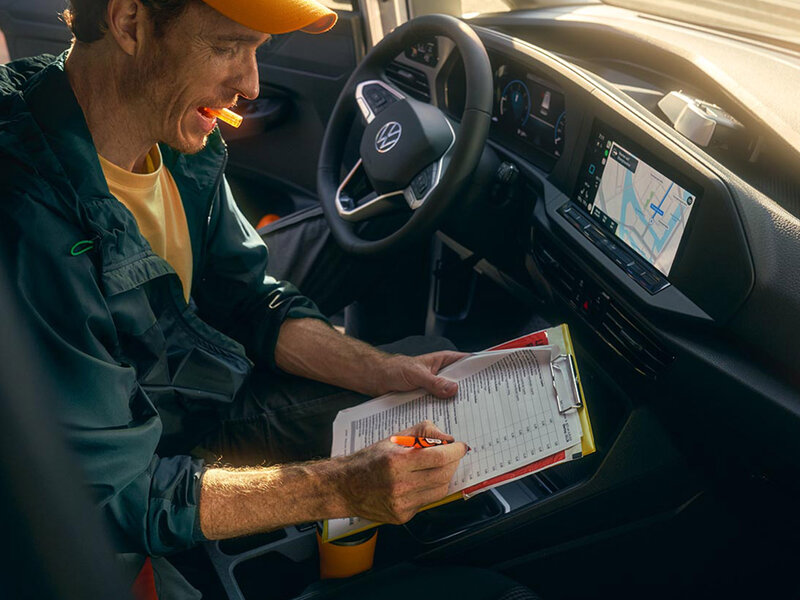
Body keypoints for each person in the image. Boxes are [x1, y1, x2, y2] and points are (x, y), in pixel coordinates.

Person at [0, 0, 472, 595]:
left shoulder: (172, 130)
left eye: (256, 50)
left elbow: (249, 297)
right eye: (226, 47)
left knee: (427, 393)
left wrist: (380, 370)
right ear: (129, 22)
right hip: (123, 475)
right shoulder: (30, 225)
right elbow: (110, 495)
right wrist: (341, 487)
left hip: (190, 380)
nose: (250, 85)